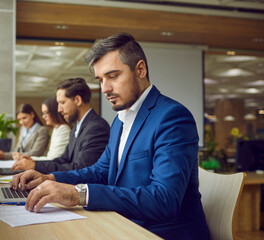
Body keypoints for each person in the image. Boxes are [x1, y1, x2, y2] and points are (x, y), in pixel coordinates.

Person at [11, 33, 210, 240]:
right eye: (100, 80)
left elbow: (163, 200)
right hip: (124, 225)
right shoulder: (120, 120)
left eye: (113, 76)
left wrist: (78, 194)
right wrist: (50, 178)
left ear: (140, 70)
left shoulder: (172, 117)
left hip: (161, 233)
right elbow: (101, 171)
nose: (104, 88)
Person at [11, 77, 110, 174]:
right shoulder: (77, 128)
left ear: (78, 100)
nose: (59, 110)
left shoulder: (96, 127)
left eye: (62, 103)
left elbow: (81, 168)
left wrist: (35, 166)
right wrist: (34, 163)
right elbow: (63, 159)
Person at [15, 96, 71, 161]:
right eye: (43, 113)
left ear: (55, 112)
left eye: (46, 112)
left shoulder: (63, 129)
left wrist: (26, 158)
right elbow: (50, 157)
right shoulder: (56, 129)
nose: (44, 116)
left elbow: (53, 159)